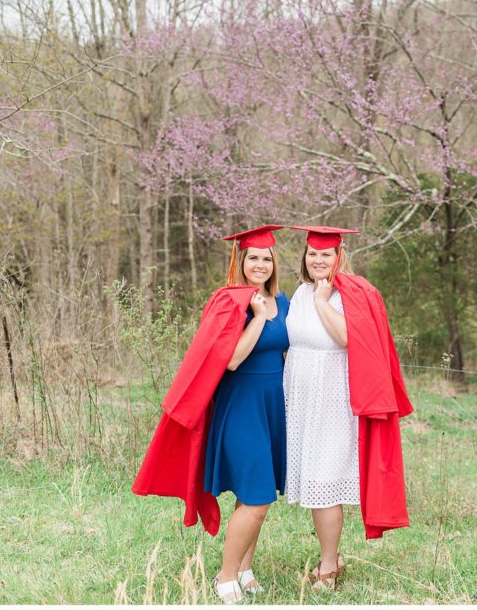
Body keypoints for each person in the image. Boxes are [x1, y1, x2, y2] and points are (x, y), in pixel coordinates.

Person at [131, 225, 289, 605]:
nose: (260, 265)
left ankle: (247, 570)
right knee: (257, 497)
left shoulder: (282, 301)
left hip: (271, 407)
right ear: (240, 260)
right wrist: (256, 318)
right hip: (240, 407)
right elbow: (232, 359)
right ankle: (225, 576)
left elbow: (285, 352)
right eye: (253, 257)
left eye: (267, 259)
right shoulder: (229, 301)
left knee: (256, 495)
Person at [283, 225, 413, 591]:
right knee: (312, 480)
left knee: (324, 481)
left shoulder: (351, 293)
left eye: (325, 254)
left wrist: (325, 301)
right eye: (312, 254)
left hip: (332, 398)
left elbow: (345, 338)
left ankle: (328, 567)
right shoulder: (300, 291)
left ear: (339, 257)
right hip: (301, 397)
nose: (318, 260)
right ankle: (332, 556)